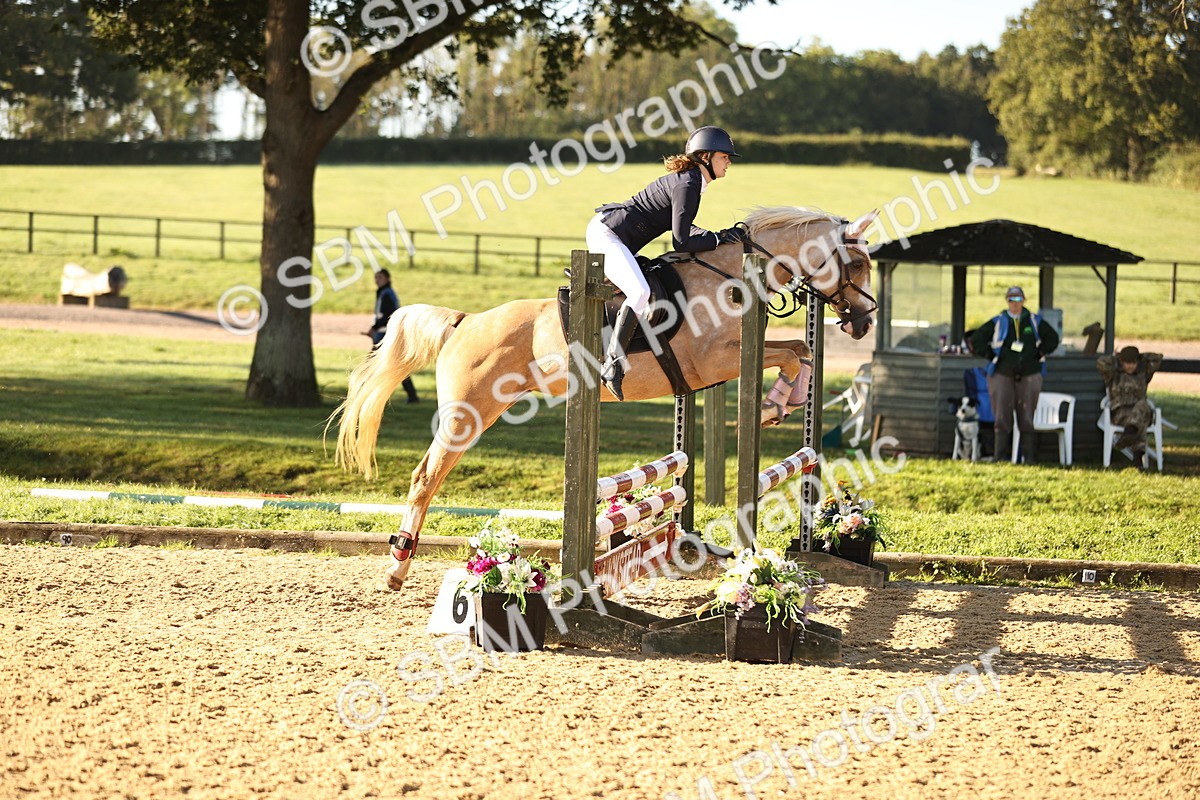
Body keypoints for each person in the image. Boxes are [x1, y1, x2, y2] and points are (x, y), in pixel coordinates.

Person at [587, 126, 749, 400]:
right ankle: (613, 363)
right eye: (724, 157)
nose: (728, 162)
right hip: (608, 234)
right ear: (705, 157)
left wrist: (718, 236)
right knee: (640, 292)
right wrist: (717, 240)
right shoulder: (688, 184)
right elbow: (682, 242)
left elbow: (684, 228)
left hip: (615, 234)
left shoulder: (692, 181)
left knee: (641, 288)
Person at [969, 286, 1059, 464]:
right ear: (1007, 301)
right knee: (1001, 415)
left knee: (1026, 416)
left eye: (1018, 299)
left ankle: (1029, 458)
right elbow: (977, 338)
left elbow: (1053, 338)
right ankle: (999, 457)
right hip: (1002, 373)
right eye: (1011, 299)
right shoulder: (998, 321)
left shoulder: (1034, 321)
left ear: (1024, 300)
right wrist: (990, 355)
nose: (1015, 303)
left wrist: (1039, 353)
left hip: (1029, 373)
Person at [1096, 345, 1163, 470]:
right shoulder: (1113, 373)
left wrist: (1141, 357)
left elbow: (1157, 358)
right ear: (1122, 362)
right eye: (1127, 362)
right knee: (1140, 422)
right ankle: (1137, 458)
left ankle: (1130, 433)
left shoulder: (1143, 373)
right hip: (1121, 414)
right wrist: (1117, 358)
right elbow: (1100, 362)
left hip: (1141, 411)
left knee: (1142, 405)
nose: (1130, 366)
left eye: (1133, 362)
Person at [365, 268, 419, 403]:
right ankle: (412, 396)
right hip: (385, 334)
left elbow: (388, 316)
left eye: (380, 277)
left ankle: (367, 394)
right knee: (397, 365)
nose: (377, 280)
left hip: (384, 335)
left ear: (387, 279)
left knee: (371, 365)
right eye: (376, 277)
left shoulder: (386, 294)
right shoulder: (385, 293)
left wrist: (374, 328)